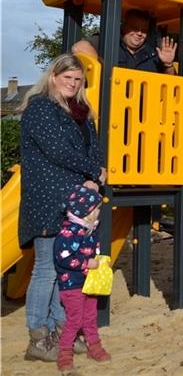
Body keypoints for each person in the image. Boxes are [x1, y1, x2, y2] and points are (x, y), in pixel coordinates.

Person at [18, 53, 106, 361]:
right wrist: (93, 173)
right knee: (46, 269)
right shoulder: (40, 108)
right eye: (66, 77)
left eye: (77, 79)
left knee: (65, 269)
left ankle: (60, 331)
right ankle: (38, 338)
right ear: (53, 77)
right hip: (47, 199)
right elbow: (56, 150)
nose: (72, 83)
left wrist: (94, 177)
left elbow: (93, 148)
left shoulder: (82, 112)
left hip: (74, 200)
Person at [53, 184, 112, 371]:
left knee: (90, 317)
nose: (98, 213)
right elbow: (63, 258)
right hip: (71, 285)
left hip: (88, 281)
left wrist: (100, 262)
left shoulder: (89, 230)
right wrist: (87, 263)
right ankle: (64, 354)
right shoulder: (69, 232)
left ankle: (94, 347)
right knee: (74, 320)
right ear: (84, 211)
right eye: (96, 209)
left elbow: (93, 251)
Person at [71, 8, 177, 74]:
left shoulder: (154, 53)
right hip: (109, 104)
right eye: (134, 28)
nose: (139, 33)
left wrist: (168, 64)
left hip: (145, 108)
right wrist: (103, 70)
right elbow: (79, 47)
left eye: (144, 30)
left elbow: (171, 83)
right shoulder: (109, 41)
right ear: (124, 27)